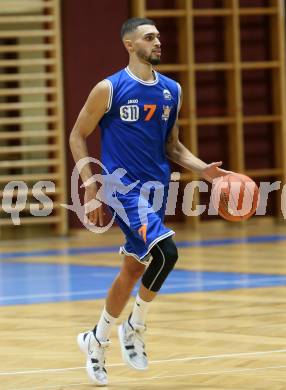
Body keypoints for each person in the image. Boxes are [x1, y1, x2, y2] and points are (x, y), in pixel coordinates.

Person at [69, 17, 226, 386]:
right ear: (129, 45)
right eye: (149, 37)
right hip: (121, 188)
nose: (158, 42)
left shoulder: (172, 90)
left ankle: (96, 340)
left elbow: (172, 146)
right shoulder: (109, 88)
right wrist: (90, 183)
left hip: (156, 190)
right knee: (167, 253)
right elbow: (77, 135)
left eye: (158, 36)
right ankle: (135, 326)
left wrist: (203, 170)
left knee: (133, 270)